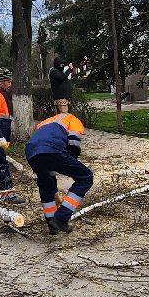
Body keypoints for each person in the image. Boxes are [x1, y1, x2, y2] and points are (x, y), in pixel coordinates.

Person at [26, 99, 93, 234]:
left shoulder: (45, 122)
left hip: (32, 152)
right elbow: (73, 144)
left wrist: (56, 176)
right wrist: (70, 164)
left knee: (47, 184)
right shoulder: (72, 119)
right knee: (86, 177)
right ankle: (62, 217)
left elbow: (42, 144)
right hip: (52, 149)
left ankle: (52, 224)